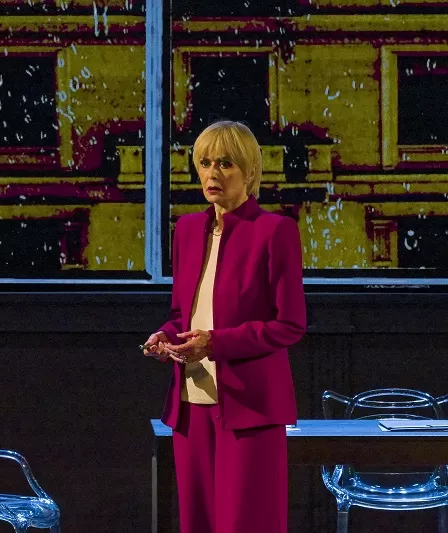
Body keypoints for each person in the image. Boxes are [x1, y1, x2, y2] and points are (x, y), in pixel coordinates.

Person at [142, 120, 306, 533]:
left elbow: (289, 324)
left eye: (225, 164)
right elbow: (183, 314)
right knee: (197, 523)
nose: (212, 174)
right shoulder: (187, 230)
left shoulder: (275, 232)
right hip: (191, 405)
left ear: (249, 173)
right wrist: (166, 336)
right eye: (205, 163)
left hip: (250, 408)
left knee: (246, 524)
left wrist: (215, 344)